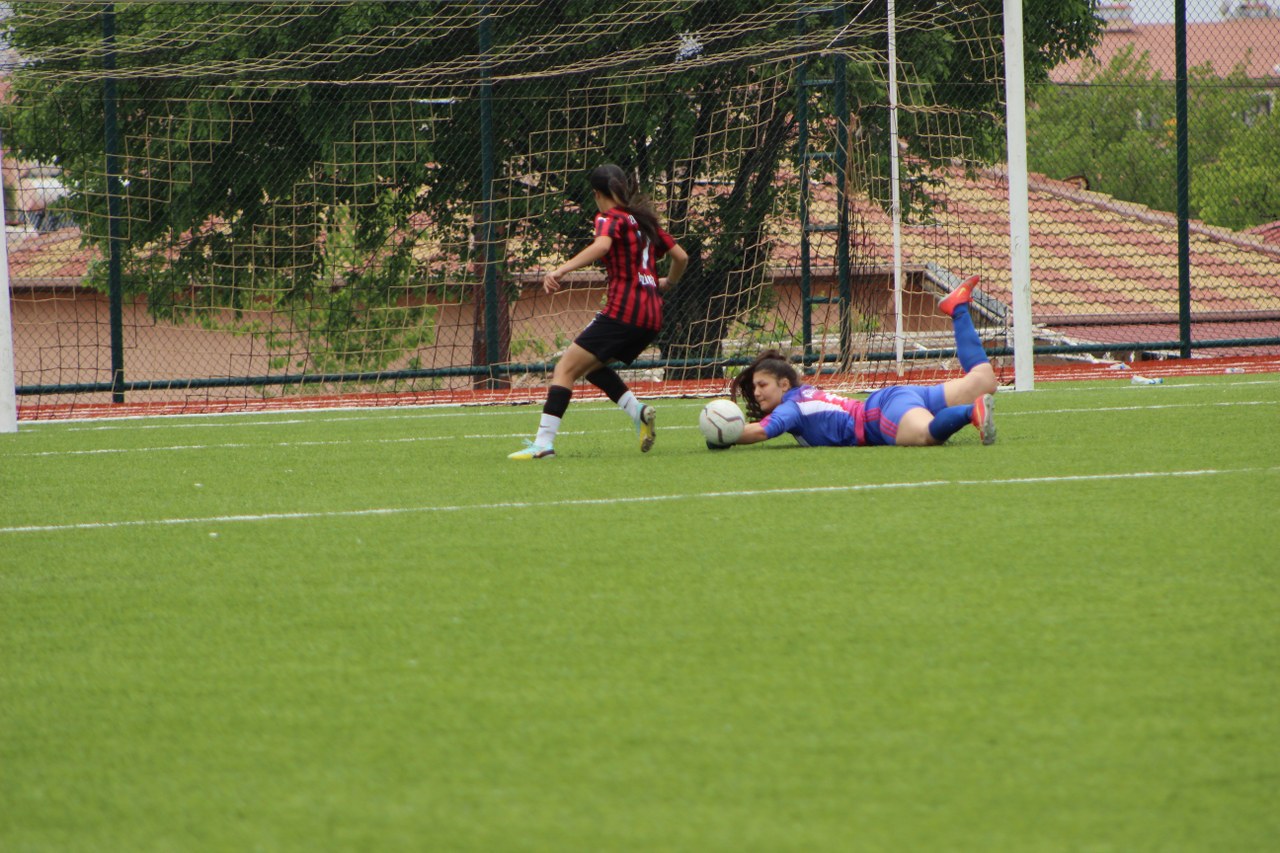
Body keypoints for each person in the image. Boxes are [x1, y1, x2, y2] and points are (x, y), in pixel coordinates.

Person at [509, 164, 688, 460]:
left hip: (624, 312)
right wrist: (668, 282)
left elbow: (602, 246)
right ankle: (637, 412)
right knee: (590, 366)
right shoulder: (645, 222)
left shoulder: (608, 218)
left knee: (565, 368)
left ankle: (543, 444)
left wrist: (562, 269)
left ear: (596, 194)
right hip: (652, 316)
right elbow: (681, 257)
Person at [726, 274, 997, 448]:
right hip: (892, 399)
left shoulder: (792, 406)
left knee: (925, 435)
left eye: (762, 384)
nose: (757, 392)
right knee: (984, 380)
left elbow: (762, 431)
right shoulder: (802, 395)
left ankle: (970, 413)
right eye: (755, 387)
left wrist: (723, 434)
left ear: (784, 384)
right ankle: (958, 309)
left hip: (879, 416)